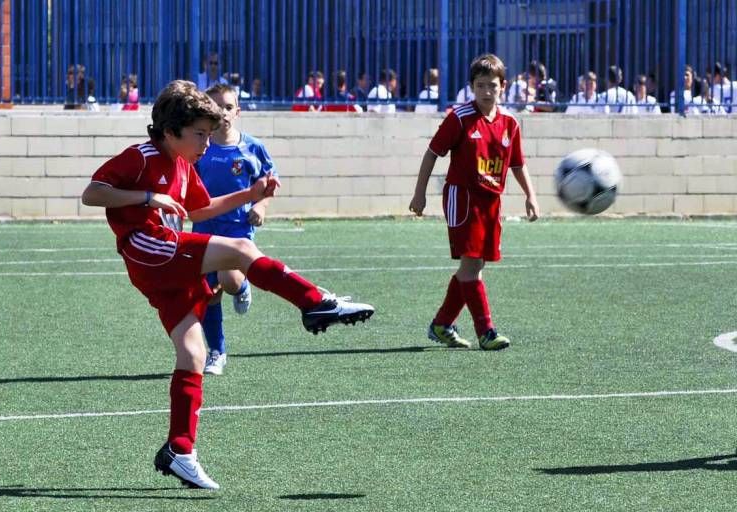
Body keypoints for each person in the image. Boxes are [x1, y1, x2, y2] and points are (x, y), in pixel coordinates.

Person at [80, 80, 374, 490]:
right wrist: (149, 198)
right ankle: (313, 302)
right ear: (170, 131)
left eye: (209, 132)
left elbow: (200, 207)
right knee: (238, 248)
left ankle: (180, 450)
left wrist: (250, 193)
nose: (207, 140)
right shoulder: (143, 156)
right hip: (150, 248)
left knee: (194, 352)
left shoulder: (184, 164)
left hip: (161, 268)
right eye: (199, 133)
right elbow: (92, 194)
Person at [408, 54, 539, 351]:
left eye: (492, 85)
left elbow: (517, 164)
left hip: (491, 201)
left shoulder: (509, 123)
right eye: (480, 86)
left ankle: (442, 324)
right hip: (463, 198)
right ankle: (486, 331)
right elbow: (432, 153)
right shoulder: (459, 117)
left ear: (503, 87)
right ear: (471, 87)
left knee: (474, 267)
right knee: (471, 267)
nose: (486, 92)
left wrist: (530, 195)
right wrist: (420, 193)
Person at [191, 83, 274, 376]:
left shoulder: (252, 147)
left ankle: (241, 285)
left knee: (227, 279)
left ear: (237, 111)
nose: (222, 112)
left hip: (238, 230)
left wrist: (260, 207)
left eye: (228, 107)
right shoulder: (199, 149)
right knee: (208, 294)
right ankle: (217, 351)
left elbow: (270, 182)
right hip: (203, 228)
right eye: (216, 107)